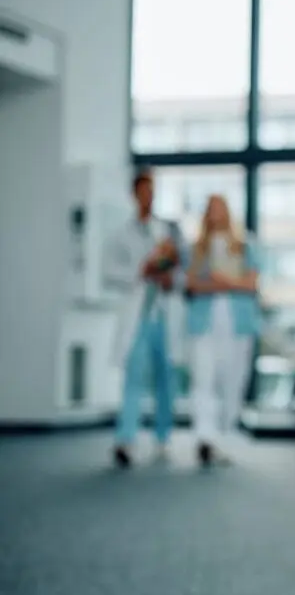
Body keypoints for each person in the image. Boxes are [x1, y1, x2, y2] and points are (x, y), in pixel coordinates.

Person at [102, 167, 187, 468]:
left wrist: (168, 278)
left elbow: (183, 273)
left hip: (163, 314)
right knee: (133, 378)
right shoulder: (120, 234)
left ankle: (163, 437)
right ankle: (126, 439)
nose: (148, 196)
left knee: (166, 378)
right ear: (134, 194)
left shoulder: (169, 231)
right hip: (138, 317)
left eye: (152, 191)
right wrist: (140, 271)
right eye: (143, 191)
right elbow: (109, 273)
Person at [185, 194, 262, 466]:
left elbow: (251, 285)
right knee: (203, 379)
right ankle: (205, 437)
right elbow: (191, 285)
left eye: (220, 209)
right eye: (210, 210)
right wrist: (225, 283)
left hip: (237, 325)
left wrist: (222, 281)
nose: (215, 214)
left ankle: (226, 434)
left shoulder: (246, 245)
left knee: (232, 380)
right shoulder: (196, 249)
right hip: (203, 323)